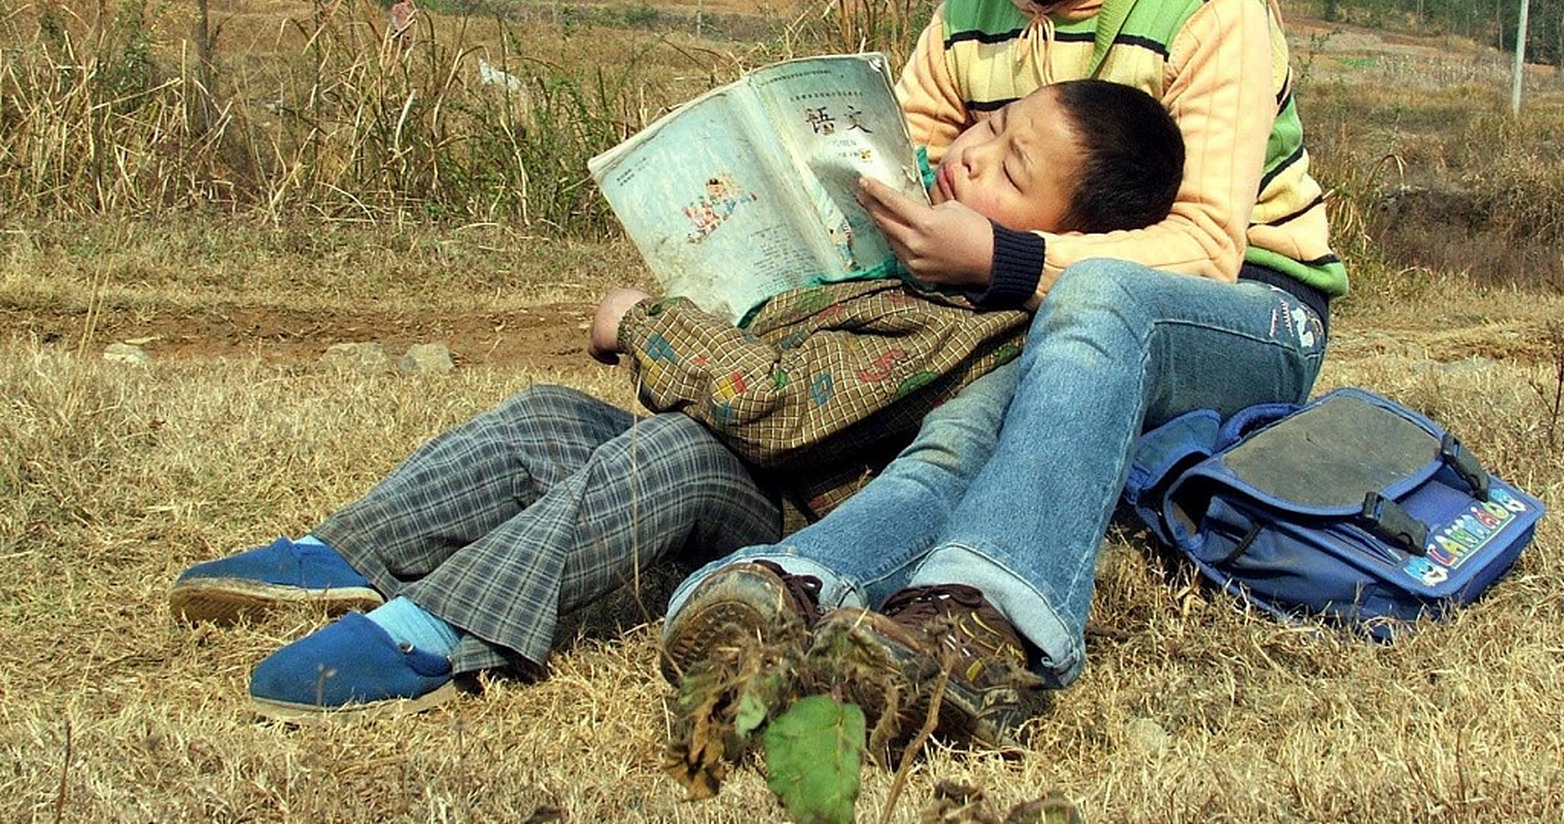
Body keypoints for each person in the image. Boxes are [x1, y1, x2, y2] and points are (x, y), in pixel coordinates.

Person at [662, 0, 1348, 751]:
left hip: (1248, 311)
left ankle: (992, 627)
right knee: (967, 419)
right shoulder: (970, 15)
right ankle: (791, 587)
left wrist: (1002, 259)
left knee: (1100, 292)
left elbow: (1205, 244)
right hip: (1048, 314)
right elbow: (895, 163)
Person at [170, 78, 1184, 722]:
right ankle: (345, 553)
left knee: (672, 455)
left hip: (787, 509)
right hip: (741, 449)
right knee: (542, 417)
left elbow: (772, 408)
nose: (970, 153)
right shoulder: (897, 264)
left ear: (1060, 235)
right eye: (991, 125)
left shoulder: (970, 323)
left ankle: (440, 629)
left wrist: (648, 321)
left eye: (1010, 168)